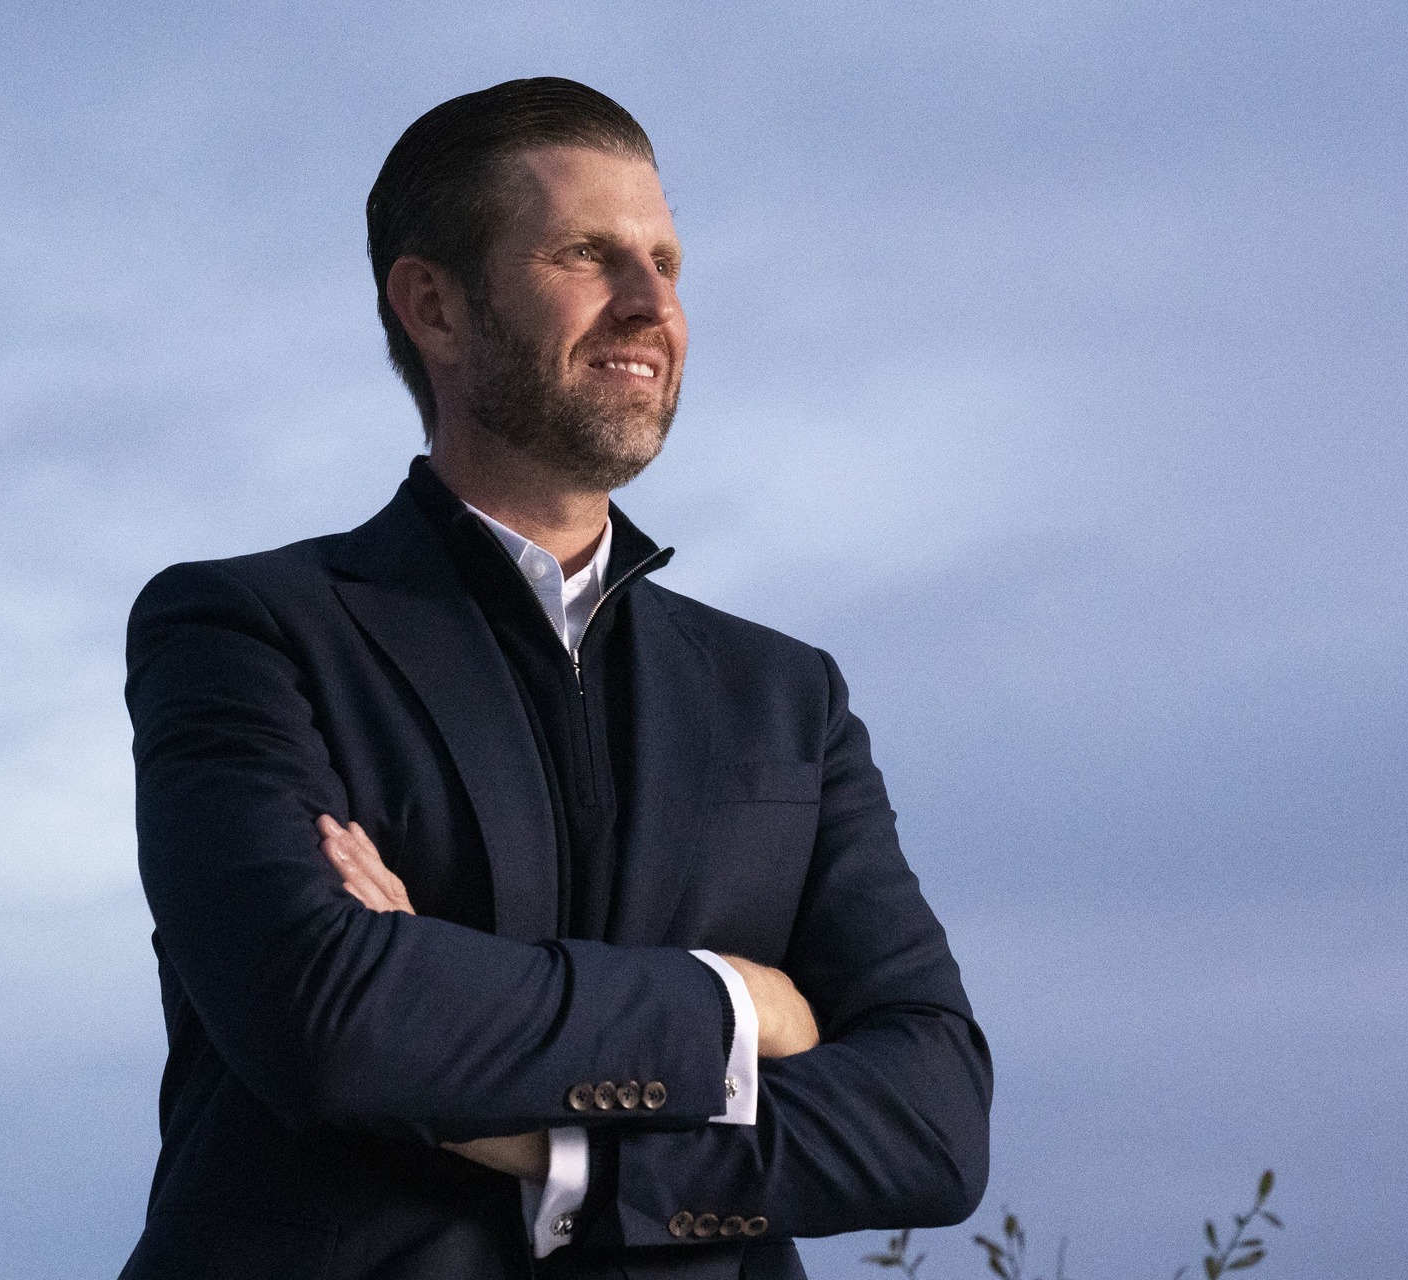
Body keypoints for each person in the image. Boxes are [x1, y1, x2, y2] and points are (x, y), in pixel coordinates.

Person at [118, 77, 992, 1280]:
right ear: (434, 304)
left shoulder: (788, 698)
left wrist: (556, 1150)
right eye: (588, 255)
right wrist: (739, 1004)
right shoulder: (243, 630)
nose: (650, 303)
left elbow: (934, 1119)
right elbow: (325, 1014)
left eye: (667, 262)